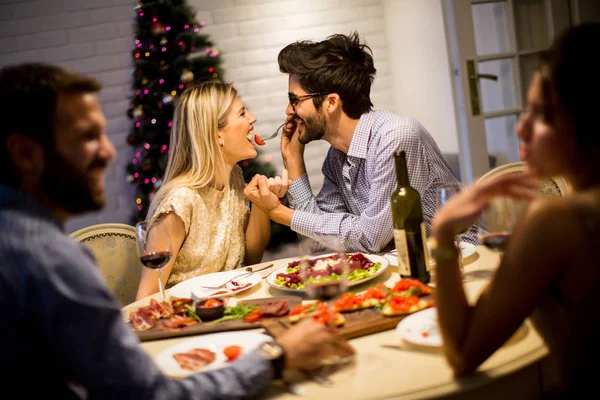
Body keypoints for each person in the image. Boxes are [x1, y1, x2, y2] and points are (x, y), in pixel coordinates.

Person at [0, 62, 354, 398]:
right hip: (186, 335)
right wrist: (276, 358)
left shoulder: (233, 179)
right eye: (87, 136)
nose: (109, 152)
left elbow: (248, 260)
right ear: (25, 154)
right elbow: (147, 306)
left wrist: (263, 208)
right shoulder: (173, 203)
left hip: (221, 322)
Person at [430, 23, 600, 396]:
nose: (521, 128)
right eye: (526, 110)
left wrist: (442, 230)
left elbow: (462, 354)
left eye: (544, 116)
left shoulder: (559, 220)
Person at [245, 31, 478, 253]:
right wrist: (293, 160)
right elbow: (318, 241)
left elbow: (370, 238)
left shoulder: (394, 138)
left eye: (294, 100)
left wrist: (281, 214)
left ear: (331, 102)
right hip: (402, 268)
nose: (289, 110)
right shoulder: (337, 157)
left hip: (459, 262)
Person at [136, 82, 290, 300]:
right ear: (217, 135)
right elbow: (147, 297)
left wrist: (260, 204)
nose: (252, 118)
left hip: (231, 310)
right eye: (242, 113)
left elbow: (251, 260)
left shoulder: (234, 178)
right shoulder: (179, 203)